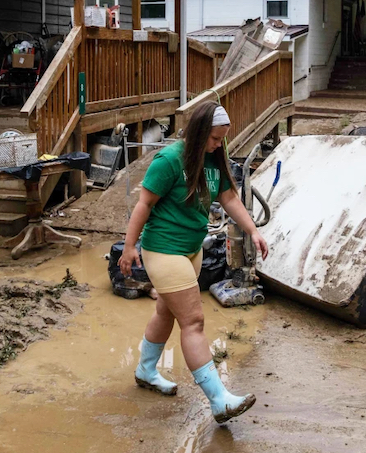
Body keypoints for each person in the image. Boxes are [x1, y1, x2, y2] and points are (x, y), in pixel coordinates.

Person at [119, 101, 269, 424]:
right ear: (200, 132)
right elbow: (144, 204)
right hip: (163, 250)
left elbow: (228, 198)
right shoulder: (170, 160)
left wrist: (253, 231)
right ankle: (219, 400)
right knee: (194, 321)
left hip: (191, 250)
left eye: (221, 140)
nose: (218, 145)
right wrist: (129, 247)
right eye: (214, 139)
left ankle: (146, 370)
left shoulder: (214, 162)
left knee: (166, 312)